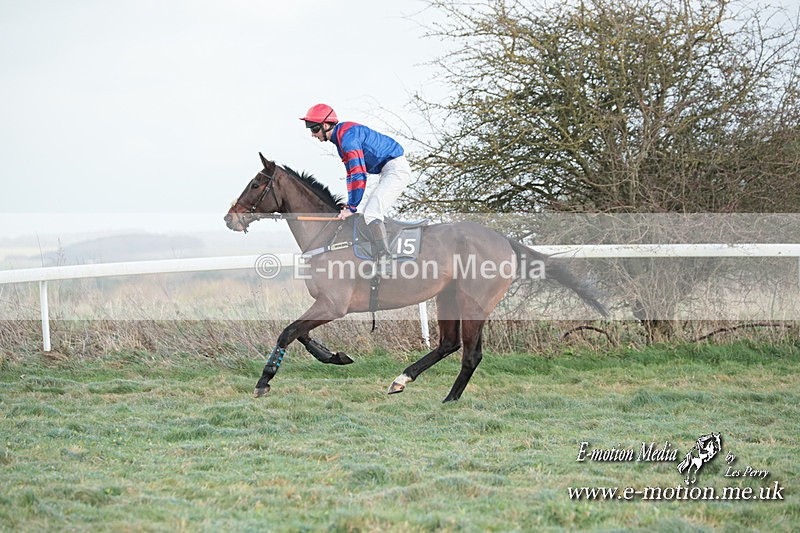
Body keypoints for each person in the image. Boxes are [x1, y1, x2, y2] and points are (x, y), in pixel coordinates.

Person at [300, 103, 411, 262]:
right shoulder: (341, 138)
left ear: (325, 125)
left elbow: (359, 174)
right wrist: (349, 205)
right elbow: (351, 175)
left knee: (372, 213)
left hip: (395, 169)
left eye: (314, 129)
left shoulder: (348, 139)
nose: (312, 134)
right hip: (388, 169)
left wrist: (352, 207)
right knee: (369, 212)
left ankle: (386, 260)